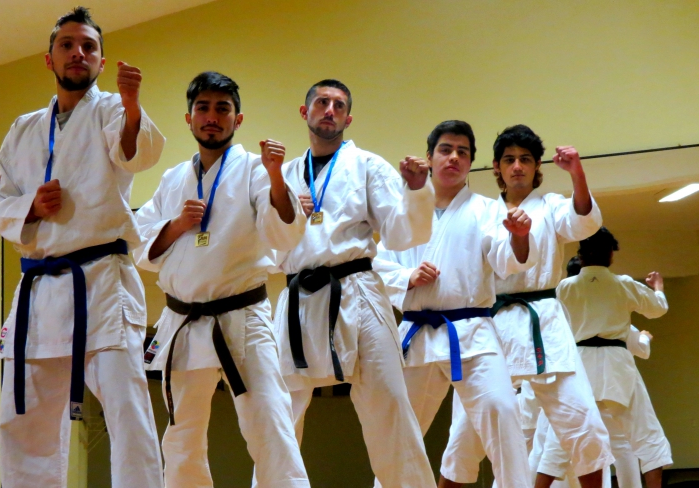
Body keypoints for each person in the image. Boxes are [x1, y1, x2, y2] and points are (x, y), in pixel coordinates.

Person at [0, 7, 163, 487]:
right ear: (50, 59)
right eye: (67, 45)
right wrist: (30, 206)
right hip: (39, 290)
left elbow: (137, 154)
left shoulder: (112, 110)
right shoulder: (23, 129)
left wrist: (132, 106)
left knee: (128, 413)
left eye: (89, 46)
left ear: (101, 61)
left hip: (100, 281)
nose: (78, 53)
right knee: (22, 417)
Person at [134, 71, 310, 488]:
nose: (212, 117)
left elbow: (283, 234)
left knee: (271, 426)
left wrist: (277, 177)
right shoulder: (173, 179)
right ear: (189, 118)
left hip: (242, 316)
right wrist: (177, 226)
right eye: (203, 108)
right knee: (181, 438)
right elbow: (140, 245)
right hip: (182, 320)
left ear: (238, 119)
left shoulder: (255, 169)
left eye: (222, 109)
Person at [271, 79, 437, 487]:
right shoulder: (284, 176)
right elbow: (268, 250)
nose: (330, 110)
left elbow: (400, 234)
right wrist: (288, 216)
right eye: (322, 102)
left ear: (348, 118)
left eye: (339, 105)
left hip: (357, 290)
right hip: (297, 297)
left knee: (390, 406)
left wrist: (417, 190)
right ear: (305, 111)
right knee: (278, 414)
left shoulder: (367, 165)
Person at [441, 125, 612, 488]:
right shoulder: (481, 211)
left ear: (537, 167)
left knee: (583, 421)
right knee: (466, 431)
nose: (517, 166)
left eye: (525, 159)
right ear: (496, 167)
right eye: (509, 160)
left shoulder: (550, 205)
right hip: (492, 323)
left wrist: (577, 173)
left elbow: (584, 222)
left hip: (544, 321)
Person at [375, 120, 536, 488]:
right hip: (416, 334)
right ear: (429, 157)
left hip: (472, 330)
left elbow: (507, 260)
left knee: (502, 410)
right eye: (446, 150)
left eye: (463, 152)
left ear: (471, 163)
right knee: (398, 431)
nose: (454, 157)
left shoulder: (487, 210)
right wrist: (408, 276)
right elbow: (376, 265)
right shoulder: (405, 210)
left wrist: (520, 238)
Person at [548, 228, 672, 488]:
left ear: (581, 255)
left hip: (578, 363)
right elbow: (658, 309)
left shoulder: (565, 287)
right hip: (616, 362)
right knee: (648, 436)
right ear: (611, 254)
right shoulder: (622, 283)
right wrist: (658, 289)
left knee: (557, 443)